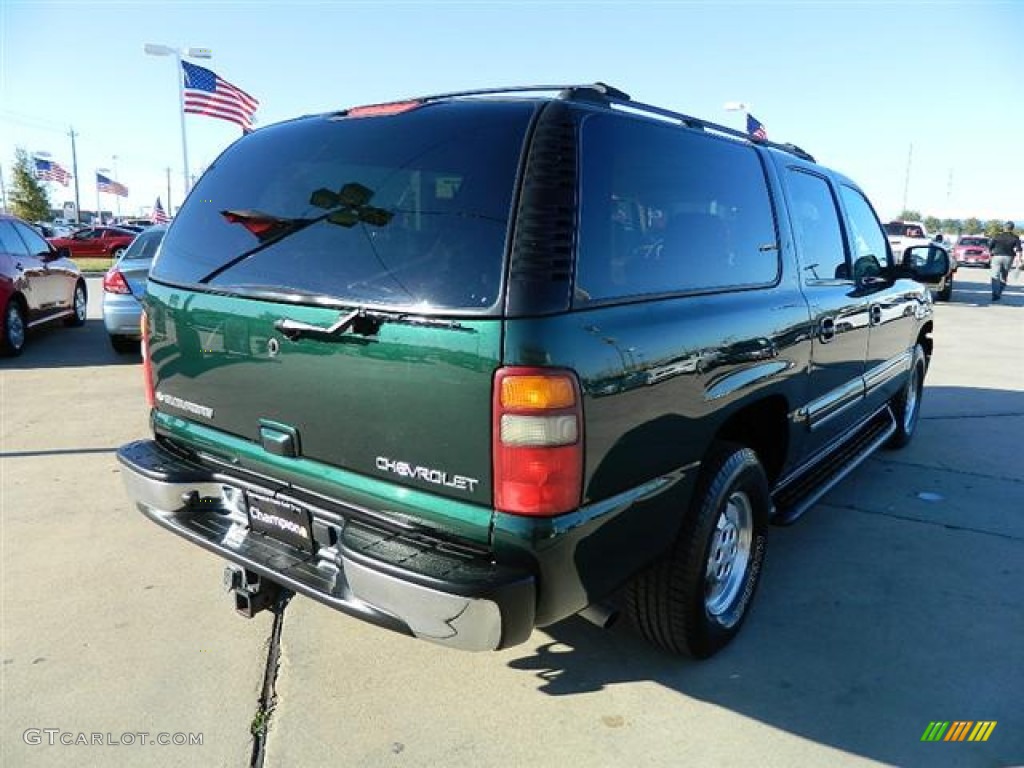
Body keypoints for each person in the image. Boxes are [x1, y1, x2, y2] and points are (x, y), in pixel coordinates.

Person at [988, 221, 1022, 302]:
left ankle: (995, 293)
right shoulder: (1015, 237)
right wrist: (1019, 259)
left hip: (997, 256)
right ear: (1012, 228)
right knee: (1004, 275)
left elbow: (990, 246)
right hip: (1009, 257)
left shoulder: (997, 236)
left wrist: (990, 254)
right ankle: (999, 292)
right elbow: (1019, 250)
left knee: (995, 275)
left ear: (1004, 228)